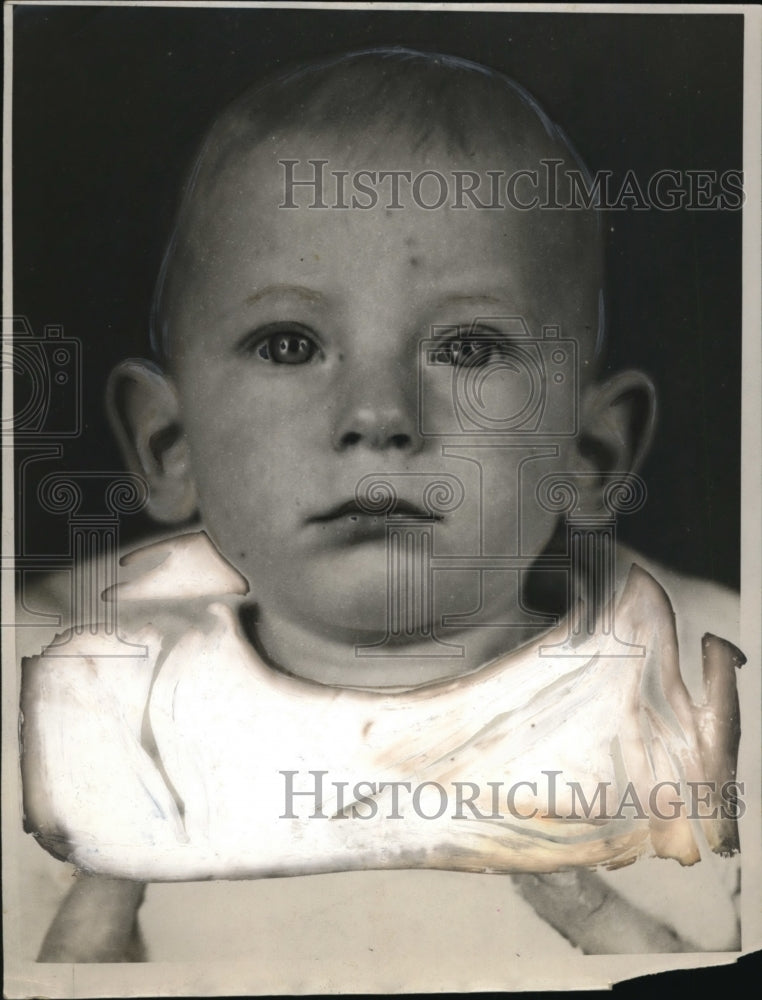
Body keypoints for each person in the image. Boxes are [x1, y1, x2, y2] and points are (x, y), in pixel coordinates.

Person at [18, 48, 744, 964]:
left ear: (590, 452)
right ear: (169, 445)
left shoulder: (708, 698)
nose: (379, 418)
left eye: (469, 349)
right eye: (288, 343)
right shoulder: (69, 713)